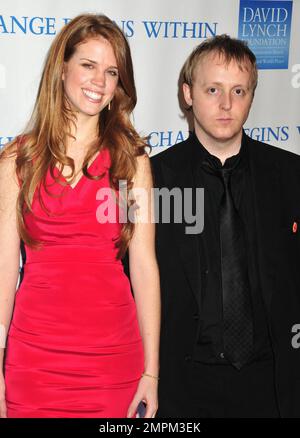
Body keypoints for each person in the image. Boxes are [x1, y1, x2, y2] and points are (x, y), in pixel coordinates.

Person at [0, 13, 160, 418]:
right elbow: (3, 271)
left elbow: (144, 267)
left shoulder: (131, 160)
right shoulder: (17, 160)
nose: (99, 81)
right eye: (88, 65)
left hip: (113, 360)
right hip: (34, 359)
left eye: (111, 72)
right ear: (62, 67)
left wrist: (152, 373)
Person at [151, 34, 300, 418]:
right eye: (212, 89)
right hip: (182, 388)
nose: (226, 104)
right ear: (188, 93)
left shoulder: (289, 175)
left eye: (239, 90)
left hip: (272, 385)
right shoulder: (153, 180)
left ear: (252, 96)